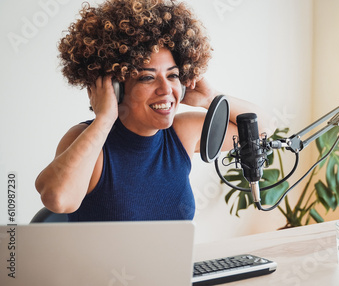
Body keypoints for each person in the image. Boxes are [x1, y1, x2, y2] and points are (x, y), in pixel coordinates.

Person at [35, 0, 264, 221]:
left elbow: (260, 132)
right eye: (147, 78)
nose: (166, 89)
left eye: (173, 75)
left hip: (173, 262)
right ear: (117, 88)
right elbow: (58, 199)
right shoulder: (88, 141)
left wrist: (211, 98)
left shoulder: (181, 134)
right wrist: (104, 119)